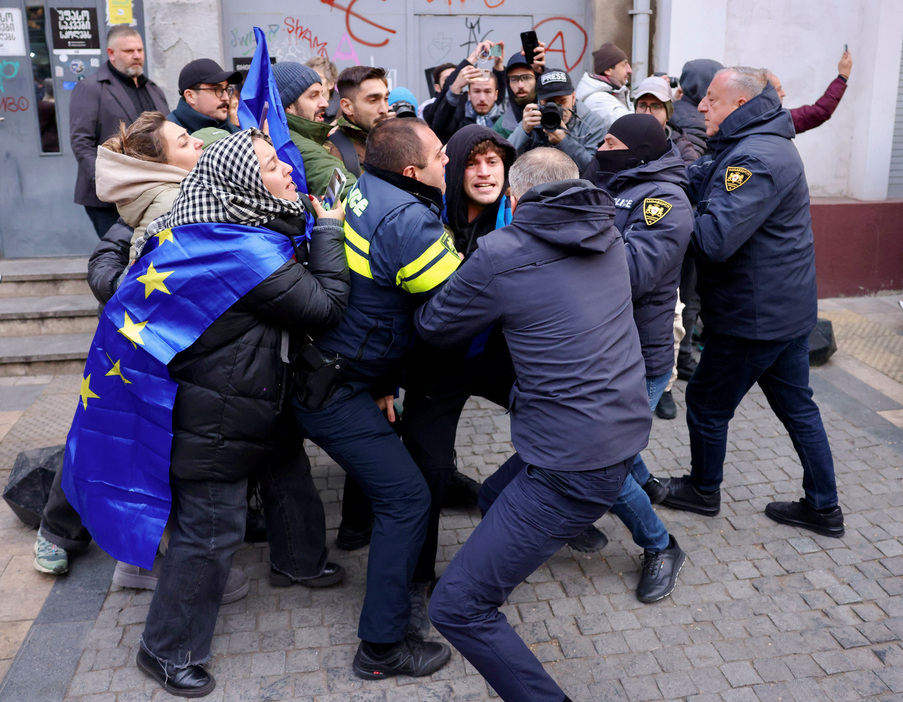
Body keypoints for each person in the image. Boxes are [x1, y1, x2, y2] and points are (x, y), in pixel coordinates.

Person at [415, 147, 651, 702]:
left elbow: (437, 325)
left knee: (456, 606)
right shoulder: (610, 232)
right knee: (494, 494)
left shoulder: (503, 250)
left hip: (571, 461)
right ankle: (530, 544)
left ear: (514, 200)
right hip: (616, 430)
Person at [120, 129, 349, 695]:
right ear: (244, 183)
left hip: (244, 399)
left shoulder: (219, 227)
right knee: (211, 533)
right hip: (215, 416)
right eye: (272, 166)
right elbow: (324, 306)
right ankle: (166, 649)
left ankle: (296, 561)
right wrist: (328, 229)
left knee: (283, 470)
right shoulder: (241, 253)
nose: (288, 171)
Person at [289, 118, 457, 680]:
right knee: (407, 499)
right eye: (441, 154)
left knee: (393, 486)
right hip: (332, 390)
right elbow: (462, 306)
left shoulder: (363, 185)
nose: (449, 162)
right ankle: (382, 649)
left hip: (339, 373)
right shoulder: (409, 219)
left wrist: (385, 381)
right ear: (412, 171)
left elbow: (372, 291)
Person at [661, 68, 844, 539]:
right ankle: (823, 508)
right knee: (798, 407)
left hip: (755, 317)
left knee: (704, 402)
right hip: (782, 308)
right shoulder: (751, 140)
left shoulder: (757, 157)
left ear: (740, 105)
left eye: (712, 101)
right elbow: (700, 178)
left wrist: (666, 217)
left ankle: (703, 490)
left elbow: (715, 238)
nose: (700, 107)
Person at [69, 26, 169, 238]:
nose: (137, 56)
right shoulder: (91, 88)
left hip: (150, 191)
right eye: (129, 51)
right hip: (108, 198)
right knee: (120, 258)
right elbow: (81, 142)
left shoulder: (152, 88)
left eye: (140, 50)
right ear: (111, 53)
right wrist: (107, 179)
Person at [669, 58, 724, 385]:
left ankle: (682, 357)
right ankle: (684, 360)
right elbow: (701, 166)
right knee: (688, 297)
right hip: (692, 215)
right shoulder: (696, 119)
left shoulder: (678, 109)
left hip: (683, 214)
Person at [273, 62, 357, 199]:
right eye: (313, 96)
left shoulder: (289, 136)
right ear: (288, 105)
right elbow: (351, 193)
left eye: (322, 94)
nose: (325, 103)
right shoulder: (301, 147)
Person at [508, 68, 607, 172]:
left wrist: (564, 142)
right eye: (549, 102)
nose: (556, 108)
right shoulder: (534, 120)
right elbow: (505, 161)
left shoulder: (592, 123)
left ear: (573, 97)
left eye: (562, 101)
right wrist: (523, 131)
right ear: (539, 101)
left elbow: (595, 171)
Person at [429, 39, 506, 143]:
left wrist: (499, 67)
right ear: (469, 94)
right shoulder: (457, 120)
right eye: (477, 91)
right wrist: (456, 87)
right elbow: (440, 126)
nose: (482, 98)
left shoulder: (506, 122)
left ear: (496, 94)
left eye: (488, 91)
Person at [324, 65, 391, 176]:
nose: (384, 109)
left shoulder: (393, 141)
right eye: (373, 100)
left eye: (386, 99)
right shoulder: (333, 152)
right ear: (347, 106)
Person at [767, 49, 852, 134]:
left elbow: (818, 112)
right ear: (765, 95)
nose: (783, 93)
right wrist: (843, 77)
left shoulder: (771, 119)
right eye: (778, 89)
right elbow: (819, 112)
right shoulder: (776, 121)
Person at [167, 58, 242, 133]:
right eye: (217, 90)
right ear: (190, 96)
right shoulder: (166, 136)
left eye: (227, 89)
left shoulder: (235, 133)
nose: (226, 98)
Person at [575, 41, 633, 135]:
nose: (629, 70)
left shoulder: (613, 94)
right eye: (624, 65)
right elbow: (632, 126)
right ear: (608, 70)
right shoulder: (597, 100)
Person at [492, 44, 546, 139]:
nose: (520, 85)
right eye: (514, 79)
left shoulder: (555, 112)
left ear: (536, 80)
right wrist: (523, 130)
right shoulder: (502, 126)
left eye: (526, 78)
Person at [306, 56, 341, 122]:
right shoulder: (299, 104)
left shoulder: (340, 115)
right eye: (309, 76)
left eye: (318, 77)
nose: (311, 80)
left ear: (330, 84)